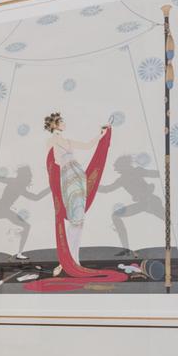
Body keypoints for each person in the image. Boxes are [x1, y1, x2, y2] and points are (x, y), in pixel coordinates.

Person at [39, 112, 121, 282]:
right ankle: (66, 261)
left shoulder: (64, 141)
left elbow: (87, 145)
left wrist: (102, 135)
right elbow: (52, 162)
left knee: (78, 220)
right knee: (74, 219)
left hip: (77, 177)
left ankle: (72, 260)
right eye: (61, 121)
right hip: (68, 178)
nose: (64, 123)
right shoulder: (54, 140)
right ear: (54, 124)